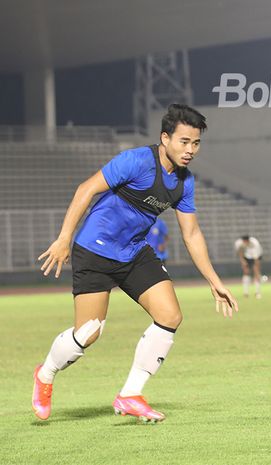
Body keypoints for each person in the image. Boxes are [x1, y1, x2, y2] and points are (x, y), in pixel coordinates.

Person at [32, 104, 238, 423]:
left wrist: (214, 280)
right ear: (165, 138)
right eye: (184, 141)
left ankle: (130, 394)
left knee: (170, 314)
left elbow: (192, 233)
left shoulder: (185, 182)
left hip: (133, 252)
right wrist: (63, 239)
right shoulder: (136, 161)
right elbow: (85, 189)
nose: (190, 150)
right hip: (95, 249)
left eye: (196, 143)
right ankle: (45, 375)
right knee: (88, 332)